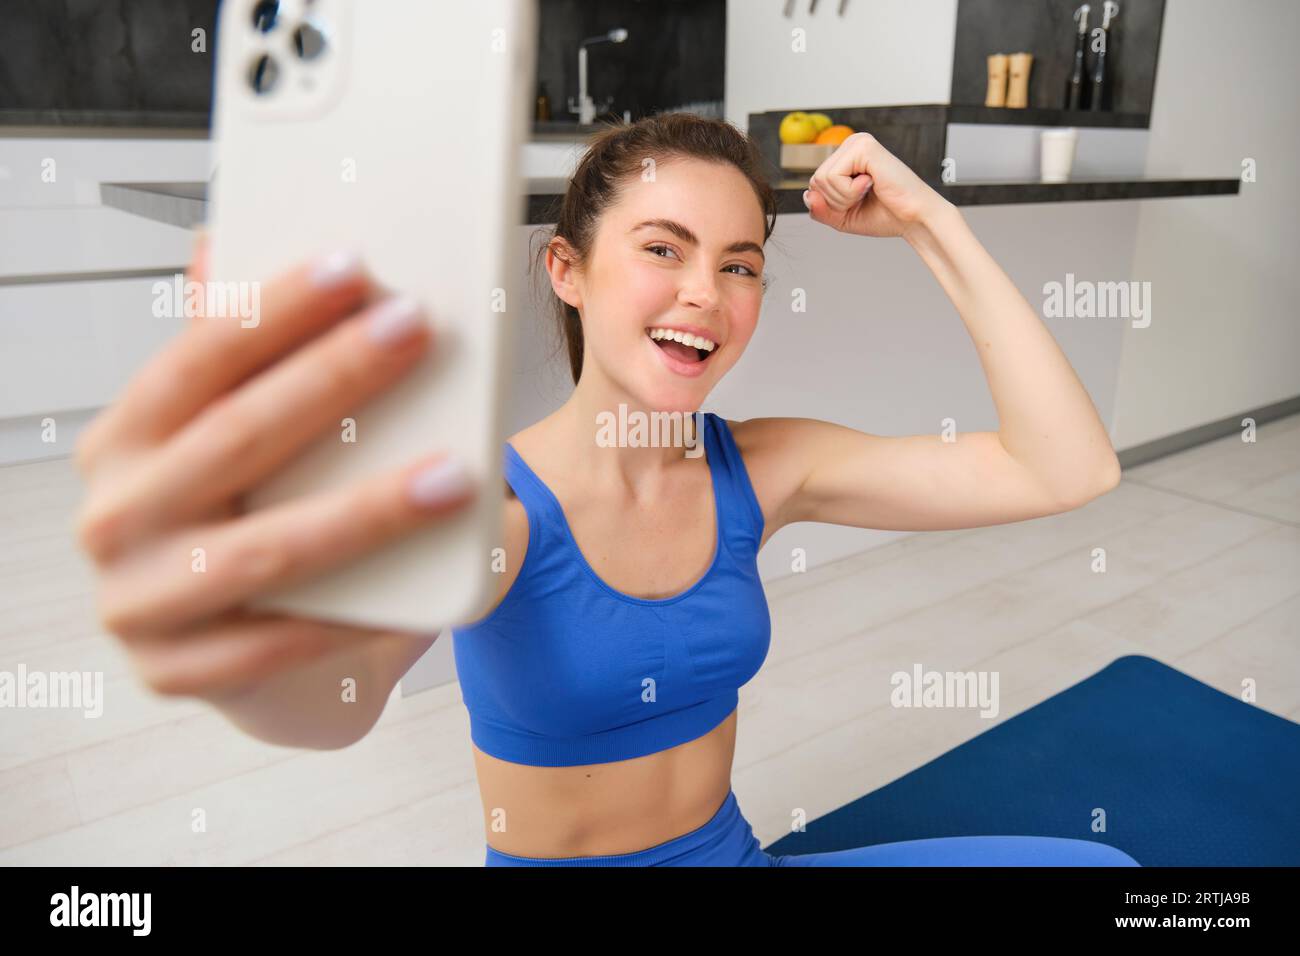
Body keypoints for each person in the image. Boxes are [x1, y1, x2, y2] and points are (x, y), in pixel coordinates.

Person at [74, 113, 1138, 867]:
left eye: (739, 264)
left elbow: (1064, 465)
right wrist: (231, 643)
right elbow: (333, 702)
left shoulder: (763, 467)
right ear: (567, 270)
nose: (702, 294)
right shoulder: (489, 510)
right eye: (661, 249)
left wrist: (928, 222)